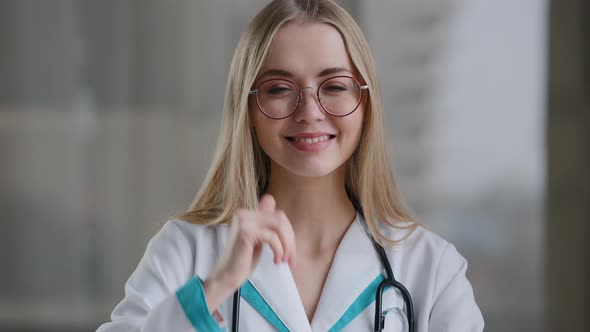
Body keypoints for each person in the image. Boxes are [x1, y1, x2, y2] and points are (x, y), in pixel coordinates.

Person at [96, 0, 484, 331]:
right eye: (280, 89)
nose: (310, 112)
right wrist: (217, 285)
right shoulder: (185, 251)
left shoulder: (431, 269)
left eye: (334, 86)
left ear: (366, 104)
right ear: (247, 109)